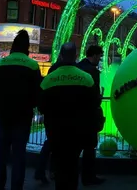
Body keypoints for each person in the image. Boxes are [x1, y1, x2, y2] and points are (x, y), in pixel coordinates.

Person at [39, 42, 102, 190]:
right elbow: (94, 103)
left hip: (56, 131)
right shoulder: (86, 78)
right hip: (78, 131)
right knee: (73, 167)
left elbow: (41, 106)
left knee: (60, 166)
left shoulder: (49, 79)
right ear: (75, 56)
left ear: (60, 55)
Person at [0, 30, 42, 190]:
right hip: (22, 117)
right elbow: (38, 93)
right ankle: (16, 186)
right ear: (27, 47)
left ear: (12, 46)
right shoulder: (32, 65)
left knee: (0, 154)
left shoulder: (1, 64)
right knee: (18, 155)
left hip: (2, 116)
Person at [75, 45, 106, 186]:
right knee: (89, 148)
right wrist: (99, 97)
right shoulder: (93, 71)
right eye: (99, 56)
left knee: (75, 149)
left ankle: (71, 175)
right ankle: (88, 177)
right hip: (88, 116)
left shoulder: (77, 67)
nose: (100, 59)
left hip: (75, 115)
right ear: (94, 55)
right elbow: (94, 97)